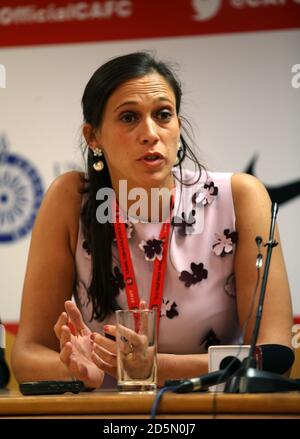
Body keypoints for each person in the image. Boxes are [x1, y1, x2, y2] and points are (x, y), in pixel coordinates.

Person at [11, 52, 294, 390]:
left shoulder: (239, 198)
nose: (150, 133)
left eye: (163, 115)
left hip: (213, 413)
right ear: (93, 137)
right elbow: (27, 354)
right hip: (108, 419)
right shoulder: (72, 199)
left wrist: (154, 367)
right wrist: (77, 369)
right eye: (129, 117)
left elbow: (274, 359)